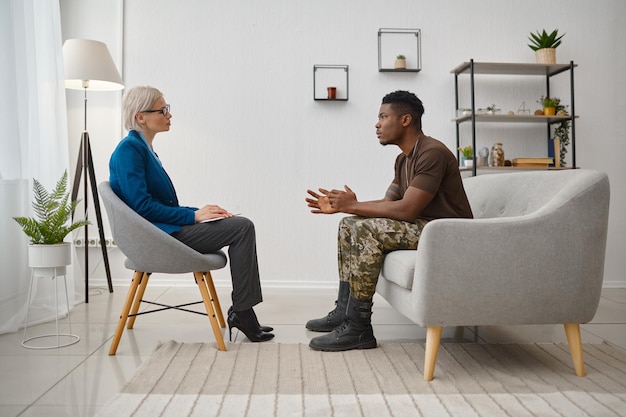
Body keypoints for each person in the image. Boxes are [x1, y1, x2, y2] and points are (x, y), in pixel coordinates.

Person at [305, 90, 473, 352]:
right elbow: (388, 204)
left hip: (448, 233)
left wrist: (353, 205)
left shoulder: (432, 153)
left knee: (364, 229)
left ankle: (359, 328)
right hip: (426, 228)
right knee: (350, 224)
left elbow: (406, 210)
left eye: (383, 116)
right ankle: (344, 311)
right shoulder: (403, 159)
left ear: (405, 120)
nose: (377, 123)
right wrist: (346, 207)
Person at [109, 86, 273, 343]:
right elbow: (142, 207)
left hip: (164, 230)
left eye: (168, 109)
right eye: (163, 110)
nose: (169, 115)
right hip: (160, 237)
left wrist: (198, 212)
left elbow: (157, 204)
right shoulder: (129, 150)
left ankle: (243, 311)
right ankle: (243, 311)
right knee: (242, 227)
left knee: (237, 224)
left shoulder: (143, 149)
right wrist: (193, 217)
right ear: (141, 117)